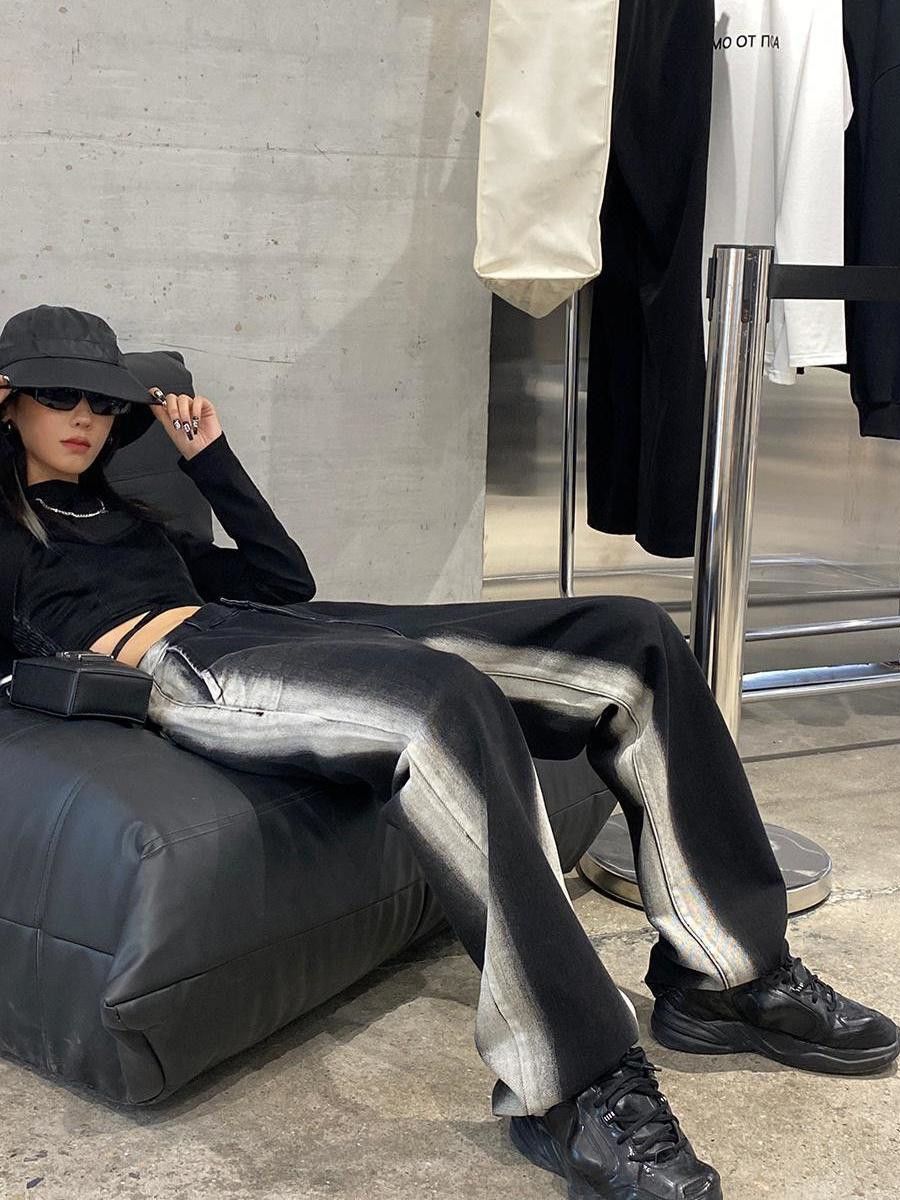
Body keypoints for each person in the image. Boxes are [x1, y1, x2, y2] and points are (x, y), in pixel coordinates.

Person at [1, 306, 897, 1200]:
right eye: (58, 395)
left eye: (104, 401)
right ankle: (574, 1085)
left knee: (632, 638)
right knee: (444, 702)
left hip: (266, 625)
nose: (86, 416)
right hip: (183, 667)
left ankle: (727, 977)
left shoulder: (134, 515)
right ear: (9, 402)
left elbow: (283, 579)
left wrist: (210, 459)